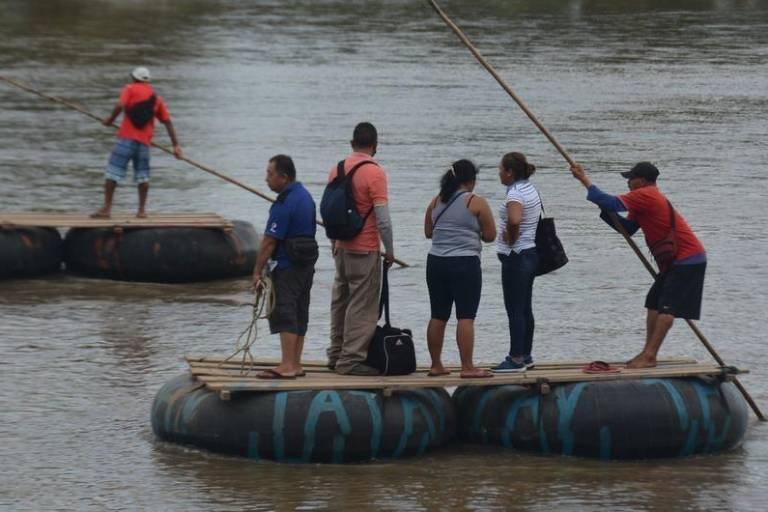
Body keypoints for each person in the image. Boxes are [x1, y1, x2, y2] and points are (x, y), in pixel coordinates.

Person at [570, 161, 706, 369]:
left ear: (641, 181)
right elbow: (628, 229)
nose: (628, 183)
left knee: (667, 308)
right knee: (653, 303)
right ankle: (647, 353)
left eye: (631, 179)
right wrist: (604, 208)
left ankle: (649, 355)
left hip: (687, 259)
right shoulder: (642, 200)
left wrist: (584, 179)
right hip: (672, 263)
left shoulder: (646, 194)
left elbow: (611, 202)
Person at [327, 122, 395, 376]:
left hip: (340, 247)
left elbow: (331, 210)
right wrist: (389, 249)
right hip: (364, 249)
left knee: (341, 302)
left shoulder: (337, 168)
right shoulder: (375, 173)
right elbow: (383, 219)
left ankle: (335, 354)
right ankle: (351, 360)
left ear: (352, 143)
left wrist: (334, 243)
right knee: (363, 306)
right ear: (375, 146)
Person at [424, 160, 496, 379]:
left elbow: (428, 232)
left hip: (436, 262)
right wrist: (473, 233)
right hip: (465, 263)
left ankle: (436, 365)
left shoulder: (435, 201)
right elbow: (490, 235)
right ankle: (467, 367)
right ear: (470, 180)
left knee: (438, 315)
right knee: (466, 316)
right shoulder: (476, 202)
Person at [251, 155, 317, 379]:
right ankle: (295, 363)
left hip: (288, 265)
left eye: (270, 174)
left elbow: (269, 241)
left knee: (285, 310)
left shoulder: (284, 203)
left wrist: (257, 272)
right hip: (306, 265)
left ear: (284, 177)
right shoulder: (305, 196)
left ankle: (287, 365)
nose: (266, 179)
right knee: (300, 310)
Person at [92, 67, 183, 219]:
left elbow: (120, 105)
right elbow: (168, 122)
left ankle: (107, 209)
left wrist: (110, 120)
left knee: (112, 173)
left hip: (126, 139)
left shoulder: (129, 89)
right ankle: (141, 211)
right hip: (143, 143)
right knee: (143, 177)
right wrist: (176, 146)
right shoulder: (156, 99)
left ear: (134, 78)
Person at [493, 152, 542, 372]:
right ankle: (526, 354)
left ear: (510, 172)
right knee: (525, 307)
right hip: (530, 252)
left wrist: (510, 238)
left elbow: (514, 219)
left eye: (501, 169)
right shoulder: (530, 188)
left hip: (516, 255)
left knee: (514, 309)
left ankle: (515, 358)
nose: (499, 173)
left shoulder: (515, 193)